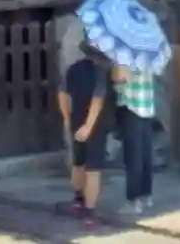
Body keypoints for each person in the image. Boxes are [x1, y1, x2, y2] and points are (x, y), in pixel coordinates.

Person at [56, 41, 113, 224]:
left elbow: (62, 94)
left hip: (76, 120)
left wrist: (67, 119)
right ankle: (90, 212)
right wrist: (89, 126)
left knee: (78, 162)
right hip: (95, 124)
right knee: (94, 168)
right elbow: (98, 99)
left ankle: (78, 200)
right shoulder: (100, 72)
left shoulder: (73, 69)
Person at [112, 62, 156, 214]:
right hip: (147, 107)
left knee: (133, 156)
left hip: (132, 107)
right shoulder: (148, 56)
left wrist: (114, 72)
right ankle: (146, 195)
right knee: (146, 154)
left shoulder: (125, 57)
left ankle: (133, 200)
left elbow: (119, 78)